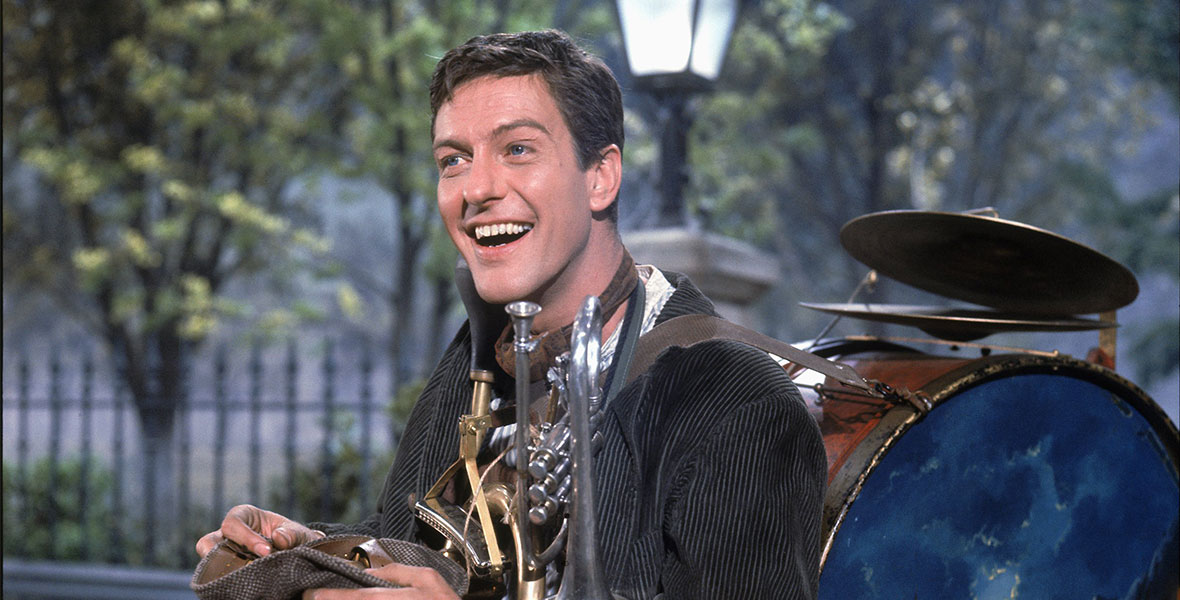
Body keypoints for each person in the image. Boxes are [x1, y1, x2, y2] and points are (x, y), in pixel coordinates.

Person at [196, 29, 826, 599]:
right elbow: (418, 542)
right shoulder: (474, 362)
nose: (476, 189)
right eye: (454, 160)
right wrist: (307, 552)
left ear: (601, 176)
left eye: (517, 149)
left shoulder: (734, 403)